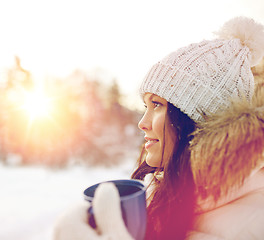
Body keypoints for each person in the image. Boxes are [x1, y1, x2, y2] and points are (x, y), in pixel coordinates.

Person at [53, 16, 264, 240]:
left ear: (199, 119)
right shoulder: (162, 189)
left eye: (157, 105)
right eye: (146, 105)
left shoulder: (256, 220)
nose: (142, 122)